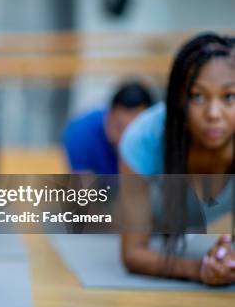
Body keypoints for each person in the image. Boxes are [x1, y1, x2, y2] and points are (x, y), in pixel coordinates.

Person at [119, 32, 235, 285]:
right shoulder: (143, 137)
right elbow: (133, 253)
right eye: (197, 96)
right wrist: (200, 269)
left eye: (229, 97)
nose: (214, 113)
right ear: (179, 100)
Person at [62, 81, 154, 174]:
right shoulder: (81, 133)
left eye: (133, 131)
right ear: (108, 117)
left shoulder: (157, 139)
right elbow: (84, 185)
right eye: (120, 128)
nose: (125, 139)